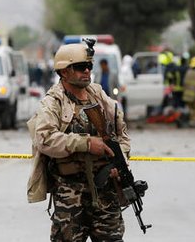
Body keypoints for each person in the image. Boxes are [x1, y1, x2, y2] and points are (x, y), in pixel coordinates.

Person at [27, 41, 130, 241]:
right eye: (81, 67)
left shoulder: (99, 96)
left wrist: (121, 160)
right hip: (70, 192)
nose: (87, 71)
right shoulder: (53, 102)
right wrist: (87, 143)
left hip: (106, 191)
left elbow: (122, 135)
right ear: (64, 72)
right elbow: (45, 138)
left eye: (89, 66)